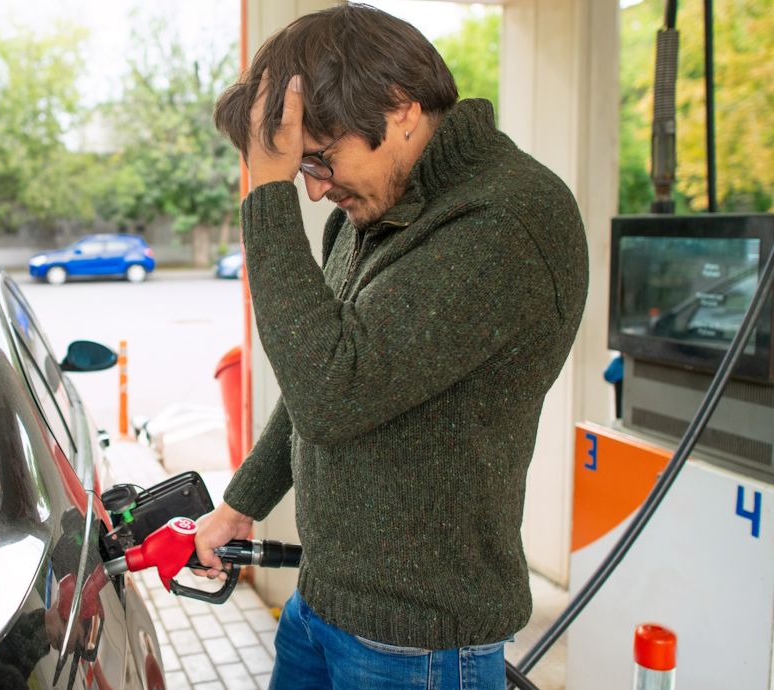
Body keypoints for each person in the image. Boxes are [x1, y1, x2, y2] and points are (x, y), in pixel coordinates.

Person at [192, 5, 589, 689]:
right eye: (298, 168)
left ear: (401, 110)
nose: (312, 189)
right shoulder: (376, 210)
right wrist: (242, 502)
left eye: (317, 159)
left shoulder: (506, 221)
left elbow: (331, 390)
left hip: (419, 648)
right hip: (321, 608)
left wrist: (266, 196)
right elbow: (321, 364)